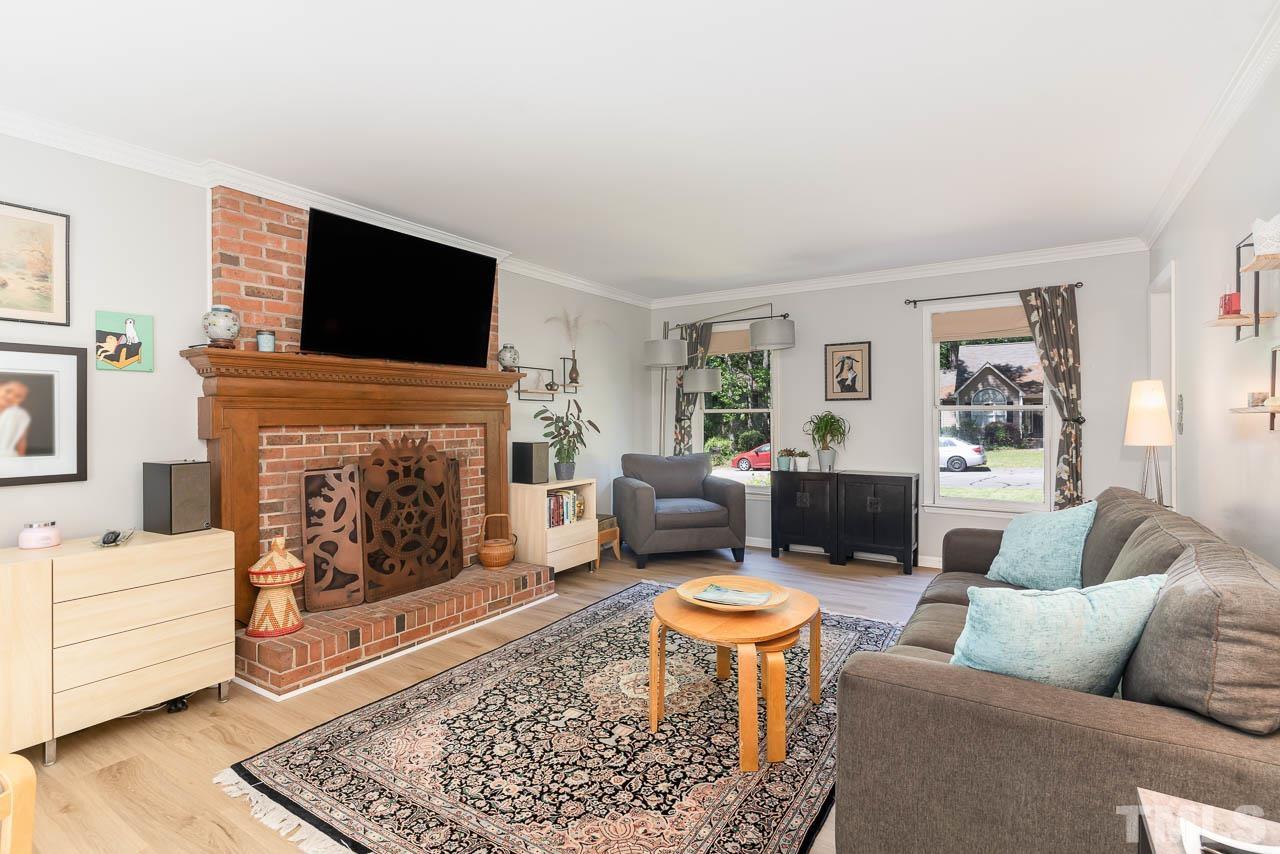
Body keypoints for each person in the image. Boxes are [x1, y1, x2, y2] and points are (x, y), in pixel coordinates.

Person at [0, 380, 32, 457]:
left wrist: (21, 460)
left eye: (18, 396)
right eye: (8, 391)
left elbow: (21, 441)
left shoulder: (19, 415)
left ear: (22, 401)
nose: (10, 397)